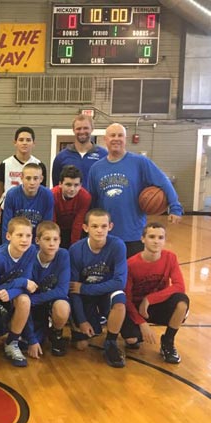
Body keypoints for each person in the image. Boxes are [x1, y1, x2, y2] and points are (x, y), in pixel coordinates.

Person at [87, 123, 182, 258]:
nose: (116, 138)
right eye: (112, 135)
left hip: (133, 233)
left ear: (125, 139)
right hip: (106, 234)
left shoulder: (140, 162)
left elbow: (163, 181)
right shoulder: (96, 168)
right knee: (110, 275)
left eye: (120, 135)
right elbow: (92, 201)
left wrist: (175, 207)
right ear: (105, 139)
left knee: (134, 275)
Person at [120, 222, 188, 364]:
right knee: (132, 340)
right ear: (143, 239)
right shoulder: (131, 264)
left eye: (160, 237)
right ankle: (135, 334)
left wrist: (149, 299)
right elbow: (126, 298)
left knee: (182, 303)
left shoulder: (171, 258)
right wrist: (141, 322)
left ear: (164, 240)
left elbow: (179, 286)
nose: (156, 241)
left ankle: (168, 342)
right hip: (134, 308)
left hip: (156, 305)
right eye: (151, 237)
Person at [69, 209, 128, 368]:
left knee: (120, 299)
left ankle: (111, 342)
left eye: (103, 226)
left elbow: (119, 282)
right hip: (85, 298)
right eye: (94, 226)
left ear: (110, 226)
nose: (99, 230)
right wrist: (81, 321)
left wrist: (86, 289)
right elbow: (73, 290)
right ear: (85, 228)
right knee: (82, 345)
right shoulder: (75, 250)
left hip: (103, 293)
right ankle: (85, 322)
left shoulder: (117, 245)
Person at [0, 217, 36, 367]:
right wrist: (21, 282)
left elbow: (27, 283)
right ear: (8, 236)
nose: (24, 240)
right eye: (19, 235)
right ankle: (4, 332)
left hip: (11, 294)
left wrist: (11, 292)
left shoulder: (31, 250)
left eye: (28, 236)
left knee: (25, 300)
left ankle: (12, 341)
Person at [27, 221, 71, 357]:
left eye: (55, 239)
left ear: (60, 241)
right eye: (47, 239)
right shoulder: (29, 256)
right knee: (26, 342)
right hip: (34, 305)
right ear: (37, 240)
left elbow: (62, 290)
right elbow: (25, 295)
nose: (52, 243)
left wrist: (34, 300)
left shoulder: (63, 255)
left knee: (62, 307)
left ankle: (57, 334)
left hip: (45, 299)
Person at [0, 163, 54, 244]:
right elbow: (7, 226)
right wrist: (8, 249)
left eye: (35, 178)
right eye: (28, 178)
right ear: (21, 178)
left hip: (37, 243)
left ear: (41, 179)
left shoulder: (47, 195)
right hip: (17, 242)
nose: (32, 182)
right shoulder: (12, 194)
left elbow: (46, 226)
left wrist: (39, 250)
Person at [52, 114, 108, 191]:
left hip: (96, 202)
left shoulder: (103, 155)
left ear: (92, 129)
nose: (82, 131)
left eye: (85, 128)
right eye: (78, 128)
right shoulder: (61, 157)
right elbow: (57, 186)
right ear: (73, 130)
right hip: (70, 203)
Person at [0, 126, 47, 207]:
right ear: (15, 143)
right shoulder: (5, 164)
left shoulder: (39, 165)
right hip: (10, 207)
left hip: (31, 206)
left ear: (34, 144)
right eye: (21, 140)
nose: (24, 143)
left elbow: (42, 189)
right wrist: (0, 203)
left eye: (28, 140)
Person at [52, 165, 91, 249]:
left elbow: (78, 223)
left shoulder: (85, 197)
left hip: (75, 229)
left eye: (76, 185)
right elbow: (52, 223)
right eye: (68, 185)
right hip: (57, 227)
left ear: (81, 185)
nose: (72, 189)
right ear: (60, 184)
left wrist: (74, 249)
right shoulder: (52, 195)